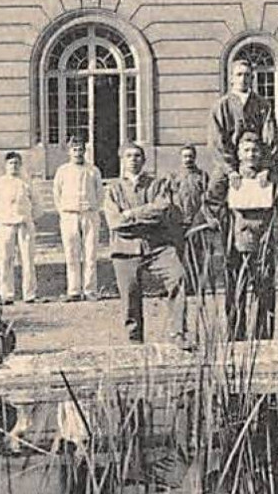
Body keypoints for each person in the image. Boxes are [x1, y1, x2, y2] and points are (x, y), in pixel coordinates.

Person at [206, 131, 278, 341]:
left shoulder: (270, 174)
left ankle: (263, 334)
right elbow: (211, 201)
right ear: (239, 153)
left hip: (263, 239)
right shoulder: (227, 174)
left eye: (255, 150)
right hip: (235, 239)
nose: (251, 155)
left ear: (261, 153)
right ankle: (236, 334)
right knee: (236, 288)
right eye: (246, 150)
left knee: (264, 286)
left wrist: (270, 172)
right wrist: (217, 219)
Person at [102, 143, 190, 346]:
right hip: (125, 249)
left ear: (144, 160)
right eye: (129, 156)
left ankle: (178, 332)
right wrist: (144, 214)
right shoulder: (113, 190)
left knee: (178, 277)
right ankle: (134, 340)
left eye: (138, 156)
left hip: (157, 247)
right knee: (130, 297)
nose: (133, 159)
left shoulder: (157, 185)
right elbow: (115, 222)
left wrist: (131, 214)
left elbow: (161, 211)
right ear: (122, 160)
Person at [52, 137, 103, 302]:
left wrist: (94, 208)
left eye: (80, 149)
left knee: (90, 253)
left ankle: (90, 289)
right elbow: (57, 193)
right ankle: (73, 290)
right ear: (69, 151)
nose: (77, 153)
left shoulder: (93, 170)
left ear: (85, 151)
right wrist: (64, 211)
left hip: (89, 214)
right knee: (71, 253)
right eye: (74, 149)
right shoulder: (63, 171)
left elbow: (100, 193)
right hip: (69, 214)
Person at [0, 151, 38, 305]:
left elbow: (37, 204)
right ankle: (6, 294)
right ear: (5, 166)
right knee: (5, 259)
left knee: (27, 259)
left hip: (24, 225)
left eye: (16, 163)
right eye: (11, 163)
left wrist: (28, 218)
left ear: (20, 165)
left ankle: (29, 294)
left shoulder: (26, 182)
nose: (14, 166)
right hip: (5, 225)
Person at [211, 55, 278, 170]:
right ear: (231, 78)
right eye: (239, 75)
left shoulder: (263, 105)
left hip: (258, 160)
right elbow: (217, 142)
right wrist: (230, 170)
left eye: (247, 75)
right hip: (230, 163)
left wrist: (265, 167)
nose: (243, 79)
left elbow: (270, 138)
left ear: (252, 78)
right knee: (216, 185)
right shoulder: (221, 106)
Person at [171, 143, 213, 297]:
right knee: (179, 254)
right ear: (180, 158)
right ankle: (180, 286)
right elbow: (170, 198)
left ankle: (196, 285)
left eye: (190, 156)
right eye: (185, 156)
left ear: (195, 157)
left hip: (197, 220)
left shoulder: (202, 176)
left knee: (197, 254)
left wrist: (203, 217)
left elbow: (207, 198)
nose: (188, 159)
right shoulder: (174, 176)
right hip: (179, 220)